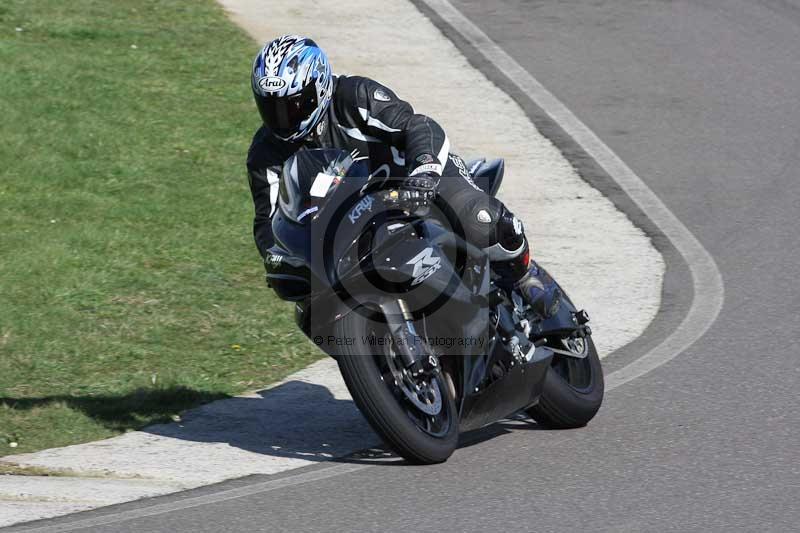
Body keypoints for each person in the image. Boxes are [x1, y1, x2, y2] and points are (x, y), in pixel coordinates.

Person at [246, 35, 555, 314]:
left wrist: (423, 173)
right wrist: (284, 259)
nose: (282, 118)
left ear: (320, 87)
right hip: (354, 227)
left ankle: (527, 279)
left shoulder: (354, 96)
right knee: (312, 311)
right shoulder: (265, 154)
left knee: (479, 218)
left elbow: (416, 126)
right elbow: (269, 222)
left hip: (418, 184)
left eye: (293, 105)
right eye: (270, 107)